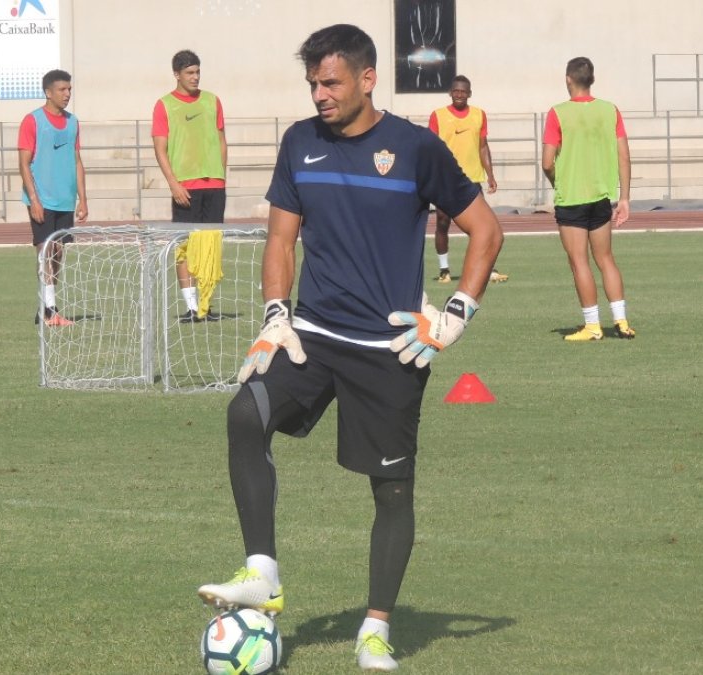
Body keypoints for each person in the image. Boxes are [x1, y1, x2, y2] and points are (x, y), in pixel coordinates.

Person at [195, 23, 503, 672]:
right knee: (244, 413)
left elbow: (486, 230)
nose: (319, 94)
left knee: (391, 492)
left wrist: (452, 318)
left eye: (330, 81)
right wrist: (276, 314)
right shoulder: (299, 141)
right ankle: (262, 573)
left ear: (368, 79)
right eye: (312, 83)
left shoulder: (416, 148)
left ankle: (375, 628)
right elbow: (281, 240)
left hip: (388, 349)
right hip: (310, 338)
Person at [541, 57, 635, 341]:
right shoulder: (610, 110)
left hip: (571, 198)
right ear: (591, 79)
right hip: (601, 196)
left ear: (568, 78)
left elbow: (547, 162)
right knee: (605, 258)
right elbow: (624, 155)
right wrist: (625, 198)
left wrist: (558, 181)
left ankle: (592, 326)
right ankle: (621, 321)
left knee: (579, 261)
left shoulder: (558, 113)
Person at [151, 49, 227, 322]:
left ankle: (206, 306)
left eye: (197, 72)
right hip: (185, 186)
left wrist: (222, 175)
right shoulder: (164, 105)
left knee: (210, 245)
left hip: (214, 185)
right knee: (185, 245)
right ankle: (192, 307)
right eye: (189, 73)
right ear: (177, 75)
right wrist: (173, 184)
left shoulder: (212, 101)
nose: (195, 77)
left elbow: (221, 140)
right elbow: (160, 149)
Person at [18, 68, 87, 327]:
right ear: (48, 92)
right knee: (44, 251)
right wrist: (34, 199)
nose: (67, 94)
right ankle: (49, 311)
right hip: (43, 199)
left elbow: (77, 161)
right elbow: (24, 163)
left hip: (65, 199)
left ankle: (46, 307)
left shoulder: (73, 122)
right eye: (62, 89)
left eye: (69, 89)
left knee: (58, 253)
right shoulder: (32, 121)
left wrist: (83, 198)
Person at [427, 75, 508, 284]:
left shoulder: (479, 115)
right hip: (446, 179)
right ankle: (444, 270)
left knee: (482, 226)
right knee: (443, 223)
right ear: (450, 92)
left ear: (469, 93)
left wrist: (490, 175)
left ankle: (488, 268)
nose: (460, 95)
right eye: (456, 91)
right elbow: (431, 149)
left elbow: (483, 146)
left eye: (464, 91)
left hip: (471, 179)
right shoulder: (438, 115)